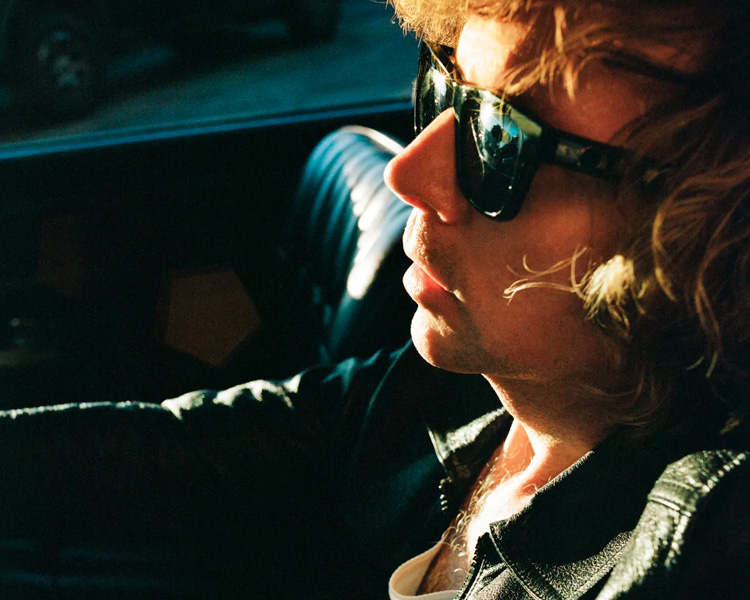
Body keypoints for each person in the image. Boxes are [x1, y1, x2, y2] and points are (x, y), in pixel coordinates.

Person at [1, 0, 749, 598]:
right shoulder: (451, 396)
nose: (409, 173)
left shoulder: (698, 541)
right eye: (443, 92)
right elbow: (191, 450)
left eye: (500, 138)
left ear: (708, 223)